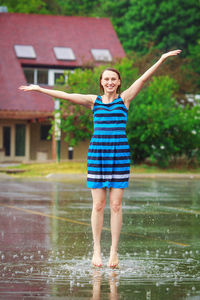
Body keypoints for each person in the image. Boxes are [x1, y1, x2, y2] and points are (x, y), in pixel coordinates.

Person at [19, 49, 181, 268]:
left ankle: (114, 252)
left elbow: (143, 78)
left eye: (114, 79)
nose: (110, 82)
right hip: (97, 155)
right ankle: (96, 251)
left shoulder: (125, 99)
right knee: (98, 205)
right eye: (106, 79)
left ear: (119, 82)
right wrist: (39, 89)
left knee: (115, 205)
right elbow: (66, 96)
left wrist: (161, 59)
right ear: (101, 82)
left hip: (120, 155)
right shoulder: (93, 101)